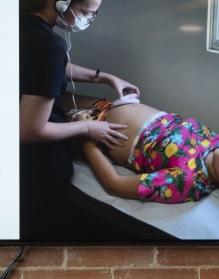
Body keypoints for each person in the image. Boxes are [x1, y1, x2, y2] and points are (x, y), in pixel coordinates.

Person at [19, 0, 141, 239]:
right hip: (37, 168)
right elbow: (29, 131)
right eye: (87, 13)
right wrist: (87, 127)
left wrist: (105, 77)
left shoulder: (20, 24)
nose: (89, 19)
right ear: (62, 3)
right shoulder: (50, 46)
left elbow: (50, 65)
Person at [70, 97, 219, 213]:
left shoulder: (186, 181)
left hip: (93, 129)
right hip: (105, 105)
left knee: (42, 114)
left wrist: (86, 134)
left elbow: (113, 184)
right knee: (56, 89)